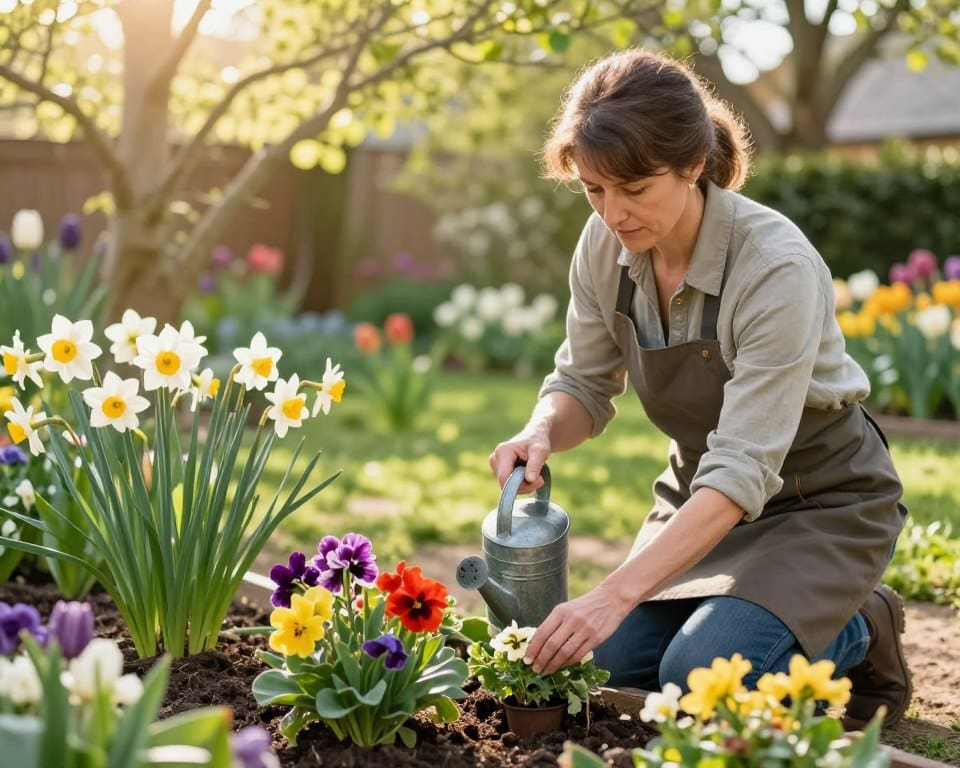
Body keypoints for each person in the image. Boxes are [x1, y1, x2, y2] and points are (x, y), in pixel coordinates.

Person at [488, 48, 911, 728]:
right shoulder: (604, 246)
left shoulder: (775, 267)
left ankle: (862, 622)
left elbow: (745, 465)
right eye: (594, 190)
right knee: (603, 674)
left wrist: (611, 595)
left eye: (634, 188)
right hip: (698, 497)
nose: (613, 213)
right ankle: (768, 617)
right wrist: (541, 429)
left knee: (697, 679)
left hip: (819, 504)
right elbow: (583, 383)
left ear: (692, 166)